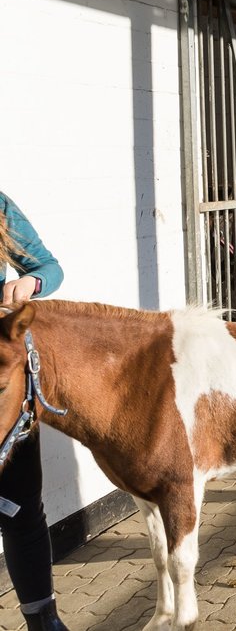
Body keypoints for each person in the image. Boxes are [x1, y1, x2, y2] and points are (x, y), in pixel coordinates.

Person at [0, 191, 70, 631]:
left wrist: (28, 284)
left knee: (21, 509)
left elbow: (49, 266)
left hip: (3, 384)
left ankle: (43, 619)